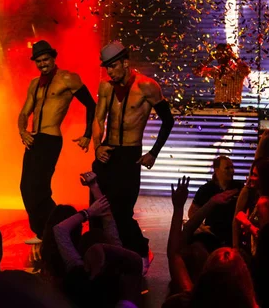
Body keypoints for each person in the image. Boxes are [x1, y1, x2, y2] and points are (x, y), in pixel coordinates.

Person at [92, 41, 174, 273]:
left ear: (126, 63)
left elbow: (168, 120)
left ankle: (139, 251)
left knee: (121, 211)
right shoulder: (106, 87)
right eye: (107, 67)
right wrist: (97, 147)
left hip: (130, 155)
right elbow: (98, 120)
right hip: (107, 153)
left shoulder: (147, 86)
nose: (110, 71)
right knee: (97, 209)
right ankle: (100, 256)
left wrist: (154, 153)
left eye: (113, 66)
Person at [18, 40, 96, 244]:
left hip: (50, 138)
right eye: (39, 61)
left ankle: (64, 227)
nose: (42, 64)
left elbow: (91, 105)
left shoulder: (68, 78)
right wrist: (22, 131)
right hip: (34, 139)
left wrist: (87, 133)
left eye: (45, 59)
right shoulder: (35, 83)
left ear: (53, 58)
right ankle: (43, 231)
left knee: (40, 188)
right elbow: (24, 112)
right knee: (26, 188)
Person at [188, 156, 241, 246]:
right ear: (217, 171)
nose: (231, 171)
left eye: (232, 167)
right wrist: (202, 227)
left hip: (234, 236)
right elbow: (192, 212)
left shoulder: (239, 187)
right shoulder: (206, 189)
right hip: (212, 237)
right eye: (227, 168)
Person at [194, 43, 250, 107]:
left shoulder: (237, 70)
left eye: (222, 53)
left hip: (233, 107)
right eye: (218, 53)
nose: (219, 56)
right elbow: (197, 72)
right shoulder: (216, 70)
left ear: (229, 54)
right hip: (218, 106)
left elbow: (247, 71)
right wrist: (209, 59)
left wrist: (235, 58)